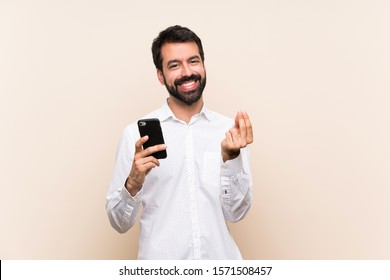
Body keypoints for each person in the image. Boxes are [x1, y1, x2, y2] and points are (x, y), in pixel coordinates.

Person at [106, 25, 253, 260]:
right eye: (174, 65)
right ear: (160, 75)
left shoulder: (229, 132)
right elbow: (118, 223)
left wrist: (231, 160)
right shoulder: (134, 135)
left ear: (203, 65)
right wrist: (132, 183)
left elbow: (237, 212)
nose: (187, 72)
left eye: (193, 61)